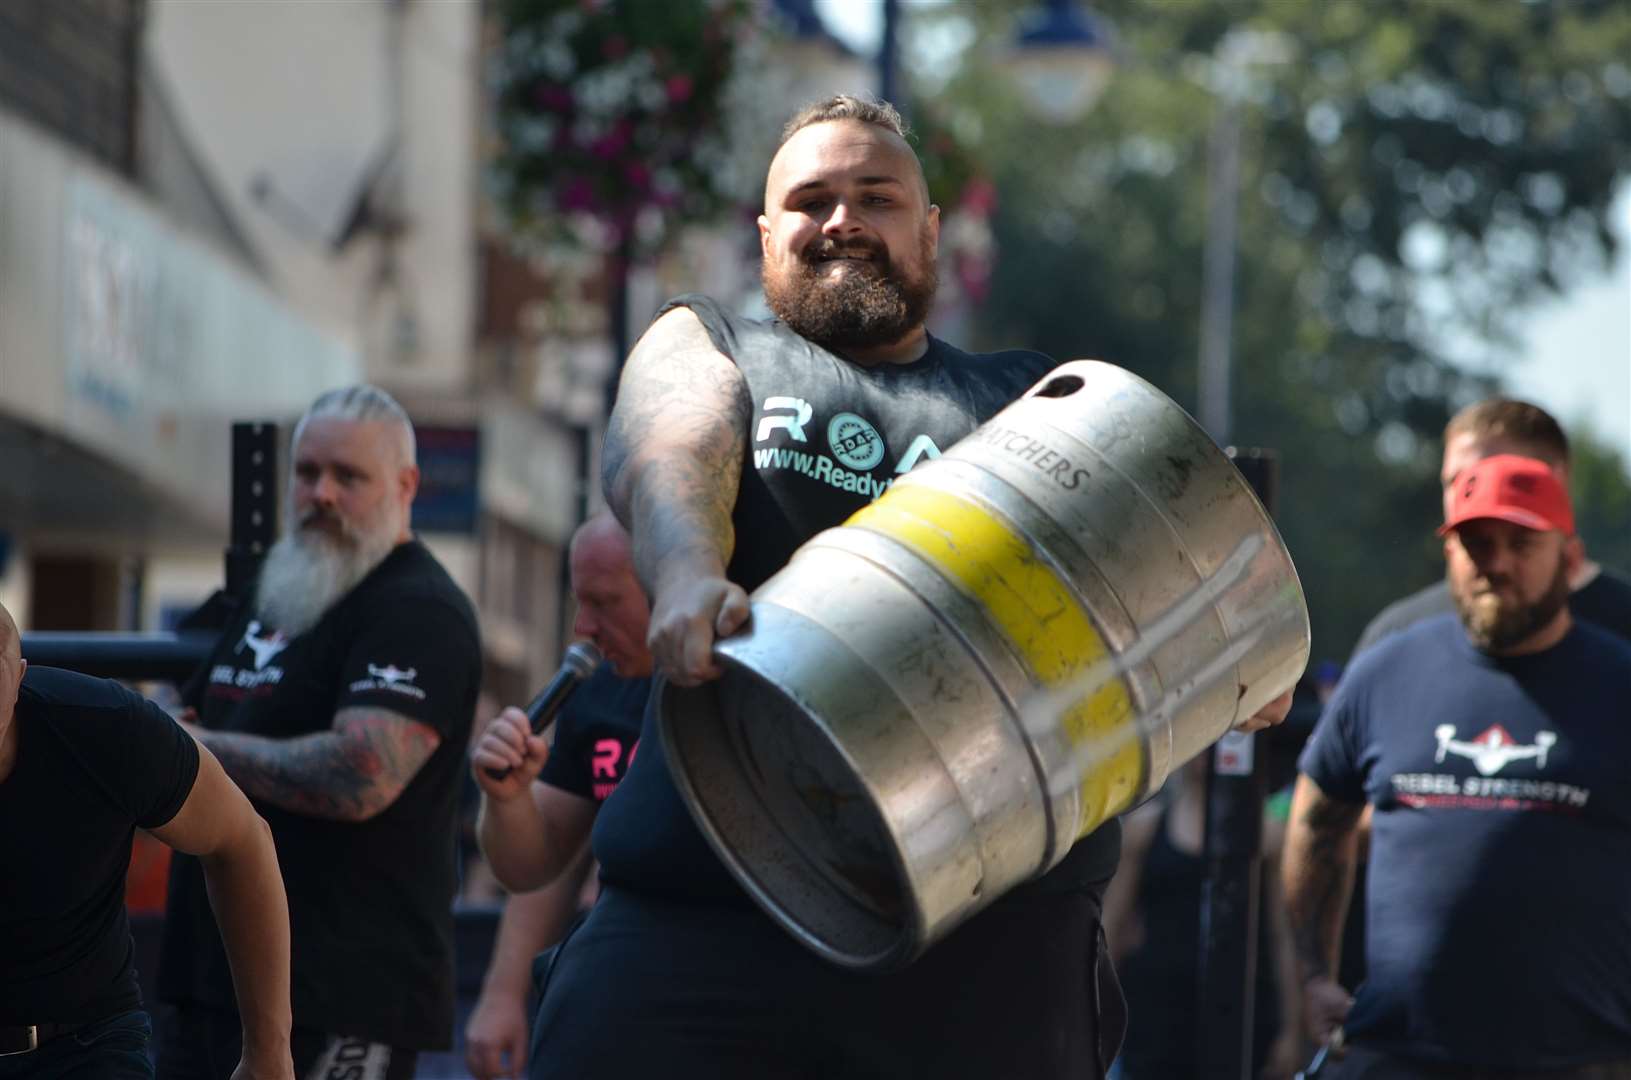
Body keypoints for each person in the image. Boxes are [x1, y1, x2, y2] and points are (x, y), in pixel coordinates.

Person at [524, 94, 1295, 1080]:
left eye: (875, 196)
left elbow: (1186, 576)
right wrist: (683, 576)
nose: (842, 218)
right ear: (765, 235)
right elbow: (669, 447)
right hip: (710, 913)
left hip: (987, 955)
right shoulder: (717, 344)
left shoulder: (1034, 399)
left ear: (929, 231)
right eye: (810, 200)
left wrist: (1231, 657)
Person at [156, 385, 482, 1078]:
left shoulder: (419, 609)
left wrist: (198, 751)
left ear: (406, 485)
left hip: (342, 998)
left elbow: (360, 773)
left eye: (348, 476)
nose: (322, 493)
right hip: (211, 984)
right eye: (307, 473)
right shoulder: (278, 589)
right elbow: (177, 718)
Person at [1284, 454, 1631, 1078]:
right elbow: (1315, 822)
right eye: (1476, 544)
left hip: (1579, 1061)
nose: (1496, 563)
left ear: (1571, 560)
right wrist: (1312, 974)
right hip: (1396, 1056)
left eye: (1522, 544)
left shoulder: (1620, 685)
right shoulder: (1387, 671)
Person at [0, 602, 292, 1077]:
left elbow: (243, 839)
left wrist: (269, 1052)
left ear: (20, 678)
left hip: (85, 1041)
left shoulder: (104, 727)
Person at [464, 512, 651, 1080]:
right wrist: (508, 798)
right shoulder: (599, 693)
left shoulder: (748, 672)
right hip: (617, 992)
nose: (583, 627)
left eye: (604, 602)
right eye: (579, 601)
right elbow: (534, 864)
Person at [1354, 398, 1631, 652]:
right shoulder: (1394, 637)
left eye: (1497, 476)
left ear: (1556, 482)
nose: (1469, 493)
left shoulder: (1621, 623)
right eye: (1454, 481)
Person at [1104, 757, 1301, 1080]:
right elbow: (1109, 931)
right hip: (1157, 1022)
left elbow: (1283, 935)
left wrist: (1291, 1030)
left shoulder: (1266, 835)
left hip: (1241, 1020)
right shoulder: (1145, 830)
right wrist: (1100, 1020)